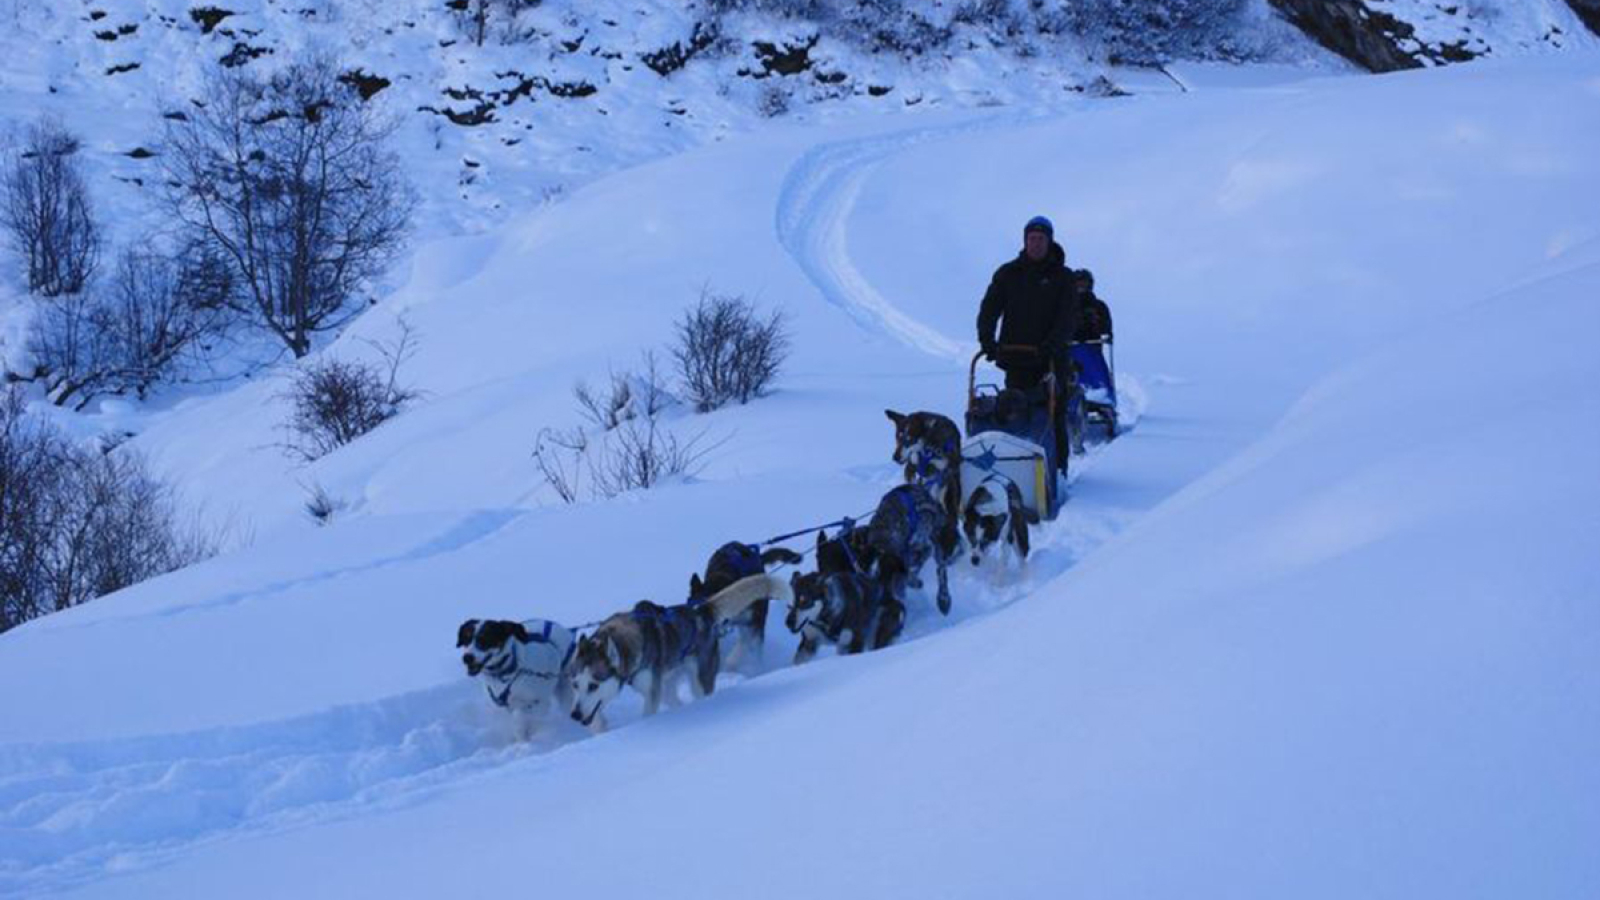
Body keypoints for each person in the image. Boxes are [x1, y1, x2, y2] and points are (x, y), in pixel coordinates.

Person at [976, 215, 1082, 470]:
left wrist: (1051, 346)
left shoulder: (1063, 277)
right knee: (1014, 411)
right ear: (1025, 241)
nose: (1035, 244)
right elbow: (989, 309)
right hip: (1016, 358)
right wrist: (987, 340)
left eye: (1040, 239)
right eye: (1031, 239)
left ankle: (1058, 470)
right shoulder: (1008, 273)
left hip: (1051, 362)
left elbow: (1067, 319)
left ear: (1049, 241)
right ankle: (1017, 467)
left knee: (1051, 414)